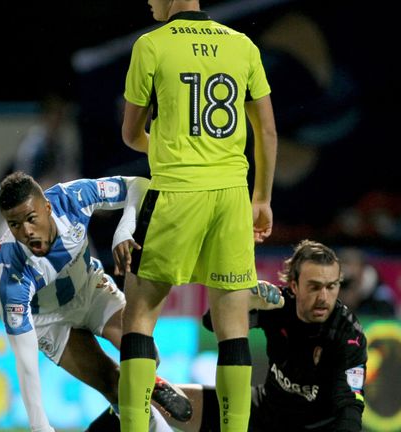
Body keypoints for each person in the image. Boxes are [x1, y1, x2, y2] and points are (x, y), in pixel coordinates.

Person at [117, 1, 278, 430]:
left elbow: (131, 134)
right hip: (231, 197)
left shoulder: (150, 46)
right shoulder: (242, 45)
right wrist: (261, 198)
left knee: (139, 319)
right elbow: (266, 130)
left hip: (177, 193)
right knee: (233, 327)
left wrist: (172, 147)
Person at [91, 240, 368, 432]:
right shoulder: (276, 306)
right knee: (148, 397)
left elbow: (349, 409)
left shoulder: (347, 335)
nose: (324, 297)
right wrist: (245, 301)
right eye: (315, 287)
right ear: (293, 286)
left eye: (332, 287)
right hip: (260, 412)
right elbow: (212, 323)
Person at [0, 171, 192, 432]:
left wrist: (124, 228)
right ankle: (142, 396)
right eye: (14, 225)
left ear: (48, 207)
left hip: (91, 291)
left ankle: (145, 382)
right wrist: (39, 425)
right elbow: (24, 356)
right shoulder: (11, 268)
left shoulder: (72, 199)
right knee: (111, 383)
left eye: (31, 219)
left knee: (144, 355)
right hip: (51, 321)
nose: (26, 232)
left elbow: (139, 185)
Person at [338, 247, 396, 317]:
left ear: (362, 268)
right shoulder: (336, 282)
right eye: (344, 264)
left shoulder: (380, 291)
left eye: (351, 265)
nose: (347, 270)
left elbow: (387, 316)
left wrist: (358, 297)